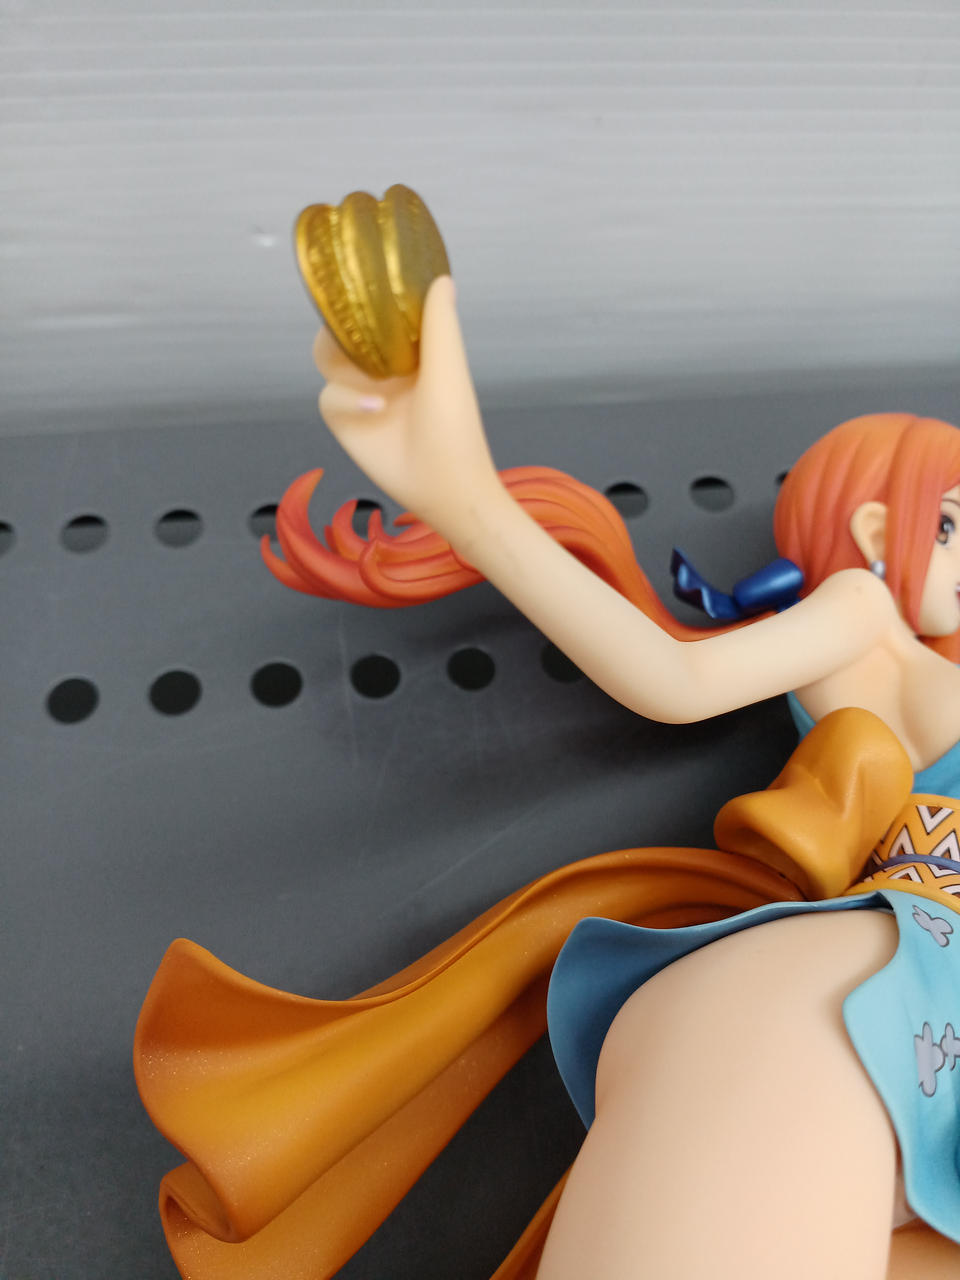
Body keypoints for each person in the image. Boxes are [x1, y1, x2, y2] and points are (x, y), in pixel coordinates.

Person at [135, 277, 960, 1279]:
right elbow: (678, 679)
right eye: (950, 523)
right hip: (883, 1006)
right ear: (873, 532)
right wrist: (470, 502)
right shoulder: (867, 622)